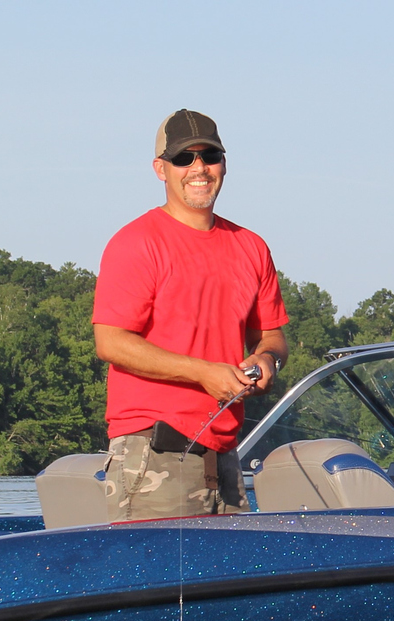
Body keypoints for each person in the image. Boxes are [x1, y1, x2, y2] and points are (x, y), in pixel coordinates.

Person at [92, 108, 289, 521]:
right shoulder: (136, 243)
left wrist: (266, 360)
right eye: (184, 158)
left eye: (209, 156)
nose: (198, 168)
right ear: (160, 169)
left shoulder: (252, 247)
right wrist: (203, 373)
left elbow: (272, 336)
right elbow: (110, 342)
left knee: (230, 583)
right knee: (155, 583)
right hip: (153, 451)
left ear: (223, 164)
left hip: (224, 454)